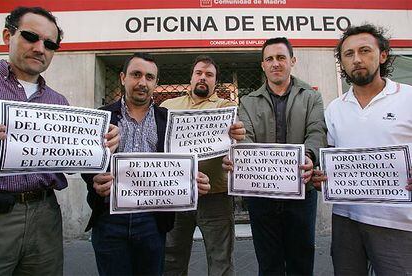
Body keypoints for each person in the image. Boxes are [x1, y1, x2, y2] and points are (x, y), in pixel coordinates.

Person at [0, 6, 119, 275]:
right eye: (31, 37)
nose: (40, 48)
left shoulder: (58, 102)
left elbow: (70, 162)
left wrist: (100, 147)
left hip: (45, 213)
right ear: (8, 35)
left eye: (50, 44)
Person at [81, 52, 212, 276]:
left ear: (155, 83)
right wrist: (94, 179)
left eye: (149, 77)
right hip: (109, 220)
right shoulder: (100, 117)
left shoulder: (169, 120)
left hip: (153, 221)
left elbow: (181, 162)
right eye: (136, 75)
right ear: (123, 78)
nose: (142, 82)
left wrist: (195, 179)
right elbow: (85, 162)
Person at [312, 24, 412, 275]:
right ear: (342, 63)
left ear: (383, 55)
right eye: (348, 54)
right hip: (346, 220)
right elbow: (330, 160)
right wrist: (320, 178)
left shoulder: (408, 98)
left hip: (398, 222)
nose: (357, 59)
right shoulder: (335, 108)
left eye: (365, 51)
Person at [223, 37, 327, 275]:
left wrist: (309, 155)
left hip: (302, 191)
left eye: (281, 57)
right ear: (262, 65)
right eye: (269, 58)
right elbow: (244, 138)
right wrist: (244, 159)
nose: (275, 63)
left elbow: (316, 131)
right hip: (262, 195)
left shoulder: (311, 97)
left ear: (292, 61)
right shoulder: (247, 102)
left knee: (301, 260)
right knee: (268, 262)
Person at [160, 55, 245, 276]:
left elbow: (238, 144)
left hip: (216, 196)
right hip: (177, 195)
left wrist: (239, 136)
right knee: (171, 259)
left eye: (209, 75)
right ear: (191, 77)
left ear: (215, 82)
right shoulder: (168, 106)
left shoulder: (227, 108)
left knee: (221, 261)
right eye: (199, 73)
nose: (203, 78)